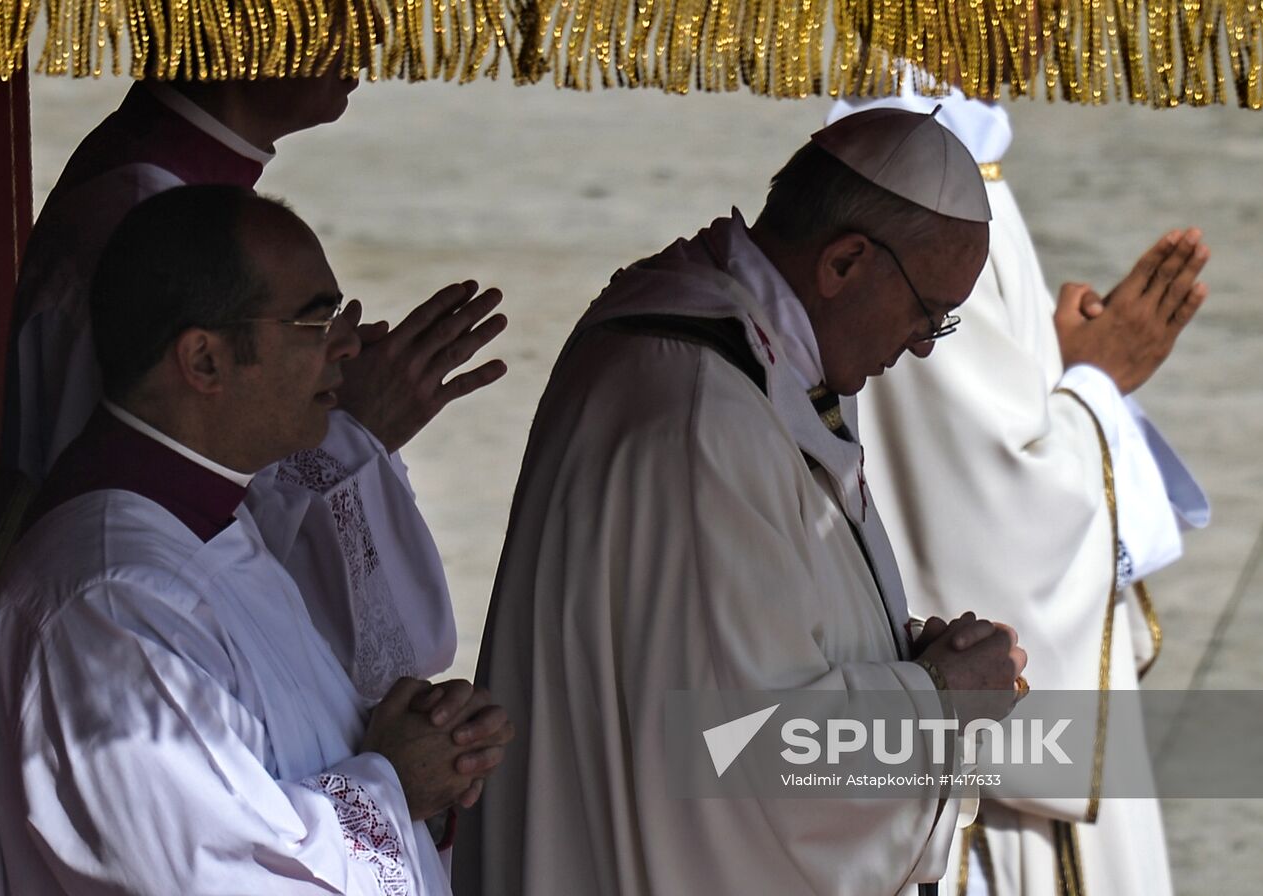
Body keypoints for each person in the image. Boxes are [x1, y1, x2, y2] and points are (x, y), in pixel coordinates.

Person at [453, 109, 1030, 896]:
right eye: (928, 312)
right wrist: (938, 702)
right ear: (845, 262)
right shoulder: (700, 414)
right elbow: (752, 766)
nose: (926, 343)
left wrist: (900, 658)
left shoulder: (757, 356)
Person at [0, 186, 514, 895]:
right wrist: (395, 786)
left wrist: (432, 759)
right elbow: (223, 878)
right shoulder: (110, 604)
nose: (349, 345)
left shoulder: (212, 519)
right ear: (204, 362)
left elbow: (288, 759)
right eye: (315, 323)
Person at [6, 75, 508, 702]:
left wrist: (309, 378)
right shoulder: (145, 218)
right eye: (340, 7)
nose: (370, 32)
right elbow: (361, 653)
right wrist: (349, 432)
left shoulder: (160, 187)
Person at [828, 85, 1210, 896]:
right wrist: (1100, 382)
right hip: (982, 797)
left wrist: (1057, 361)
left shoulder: (966, 151)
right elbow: (994, 531)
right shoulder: (909, 172)